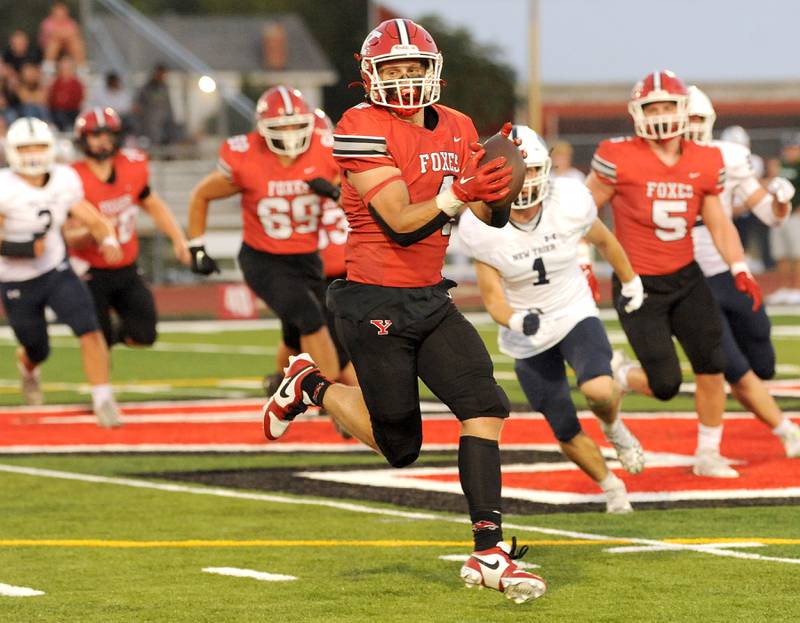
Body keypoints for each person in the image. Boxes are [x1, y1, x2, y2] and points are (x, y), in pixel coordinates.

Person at [262, 19, 546, 603]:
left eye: (415, 67)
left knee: (486, 406)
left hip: (430, 296)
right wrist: (460, 191)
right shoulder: (359, 126)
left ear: (433, 70)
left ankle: (488, 552)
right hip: (374, 297)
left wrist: (500, 186)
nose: (406, 78)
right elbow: (399, 218)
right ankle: (310, 384)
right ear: (371, 76)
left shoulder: (461, 126)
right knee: (400, 447)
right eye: (394, 69)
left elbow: (486, 217)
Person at [459, 125, 646, 513]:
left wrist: (630, 280)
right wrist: (516, 321)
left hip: (573, 310)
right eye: (514, 173)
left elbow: (605, 241)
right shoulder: (482, 226)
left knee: (598, 389)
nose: (523, 182)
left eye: (530, 171)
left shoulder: (569, 201)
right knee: (563, 425)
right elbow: (492, 298)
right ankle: (612, 488)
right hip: (528, 334)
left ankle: (614, 427)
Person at [586, 70, 761, 479]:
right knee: (665, 384)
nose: (661, 114)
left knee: (712, 363)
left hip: (686, 277)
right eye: (653, 107)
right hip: (637, 283)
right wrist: (580, 258)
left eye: (668, 106)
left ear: (685, 111)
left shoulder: (706, 158)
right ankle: (622, 373)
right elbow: (580, 211)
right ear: (637, 112)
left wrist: (739, 266)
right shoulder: (618, 155)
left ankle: (708, 453)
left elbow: (718, 222)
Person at [666, 86, 800, 456]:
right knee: (731, 365)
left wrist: (781, 201)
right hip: (687, 278)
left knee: (763, 360)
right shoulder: (654, 162)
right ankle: (783, 430)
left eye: (697, 119)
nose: (691, 126)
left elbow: (769, 216)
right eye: (686, 118)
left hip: (730, 270)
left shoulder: (727, 156)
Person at [188, 86, 342, 383]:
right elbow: (201, 195)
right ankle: (334, 398)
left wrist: (335, 192)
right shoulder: (247, 157)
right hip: (264, 259)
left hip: (308, 259)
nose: (290, 134)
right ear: (262, 129)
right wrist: (196, 247)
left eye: (297, 125)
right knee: (312, 319)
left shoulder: (326, 151)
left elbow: (355, 204)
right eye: (280, 127)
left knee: (296, 336)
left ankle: (280, 386)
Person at [0, 117, 123, 427]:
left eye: (39, 146)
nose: (32, 153)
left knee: (89, 327)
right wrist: (24, 249)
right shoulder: (5, 187)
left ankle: (103, 398)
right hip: (16, 279)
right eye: (25, 147)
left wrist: (107, 238)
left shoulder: (63, 179)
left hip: (56, 269)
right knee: (36, 346)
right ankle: (28, 367)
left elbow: (91, 217)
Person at [64, 107, 190, 349]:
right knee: (97, 341)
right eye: (96, 134)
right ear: (83, 138)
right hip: (88, 270)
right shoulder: (72, 179)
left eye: (108, 134)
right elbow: (70, 238)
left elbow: (153, 205)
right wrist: (98, 230)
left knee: (145, 335)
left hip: (126, 266)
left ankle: (114, 335)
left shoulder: (132, 166)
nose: (103, 140)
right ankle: (101, 380)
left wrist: (178, 238)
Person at [768, 132, 800, 303]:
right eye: (788, 148)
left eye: (794, 148)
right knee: (781, 254)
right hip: (780, 216)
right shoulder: (780, 165)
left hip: (796, 215)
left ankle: (797, 288)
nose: (791, 151)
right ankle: (784, 287)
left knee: (797, 254)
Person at [134, 64, 174, 151]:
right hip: (149, 122)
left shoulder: (164, 88)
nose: (162, 76)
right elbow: (138, 105)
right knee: (151, 142)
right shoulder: (146, 88)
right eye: (160, 74)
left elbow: (168, 105)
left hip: (164, 121)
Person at [38, 2, 87, 74]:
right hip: (49, 48)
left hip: (67, 47)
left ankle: (81, 69)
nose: (60, 15)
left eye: (62, 12)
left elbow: (75, 33)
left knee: (76, 42)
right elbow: (54, 34)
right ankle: (49, 69)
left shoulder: (71, 22)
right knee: (54, 43)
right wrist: (65, 34)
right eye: (58, 12)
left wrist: (62, 34)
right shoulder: (47, 23)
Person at [47, 56, 84, 131]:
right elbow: (51, 98)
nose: (65, 70)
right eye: (63, 68)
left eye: (68, 68)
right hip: (57, 111)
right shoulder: (55, 82)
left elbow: (79, 98)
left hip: (73, 111)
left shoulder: (77, 83)